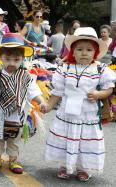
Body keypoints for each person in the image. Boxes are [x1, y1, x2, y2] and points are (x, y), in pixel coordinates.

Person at [43, 27, 116, 181]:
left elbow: (109, 89)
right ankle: (65, 166)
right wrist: (48, 106)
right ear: (72, 52)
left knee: (85, 142)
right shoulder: (65, 68)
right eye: (80, 49)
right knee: (65, 137)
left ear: (95, 52)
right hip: (67, 112)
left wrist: (98, 95)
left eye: (89, 50)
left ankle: (84, 168)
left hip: (87, 114)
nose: (84, 53)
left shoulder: (100, 69)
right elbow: (58, 91)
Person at [0, 33, 46, 174]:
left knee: (14, 139)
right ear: (0, 58)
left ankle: (13, 160)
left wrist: (41, 102)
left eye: (16, 59)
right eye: (7, 59)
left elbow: (34, 92)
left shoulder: (26, 77)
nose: (11, 63)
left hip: (17, 116)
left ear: (23, 58)